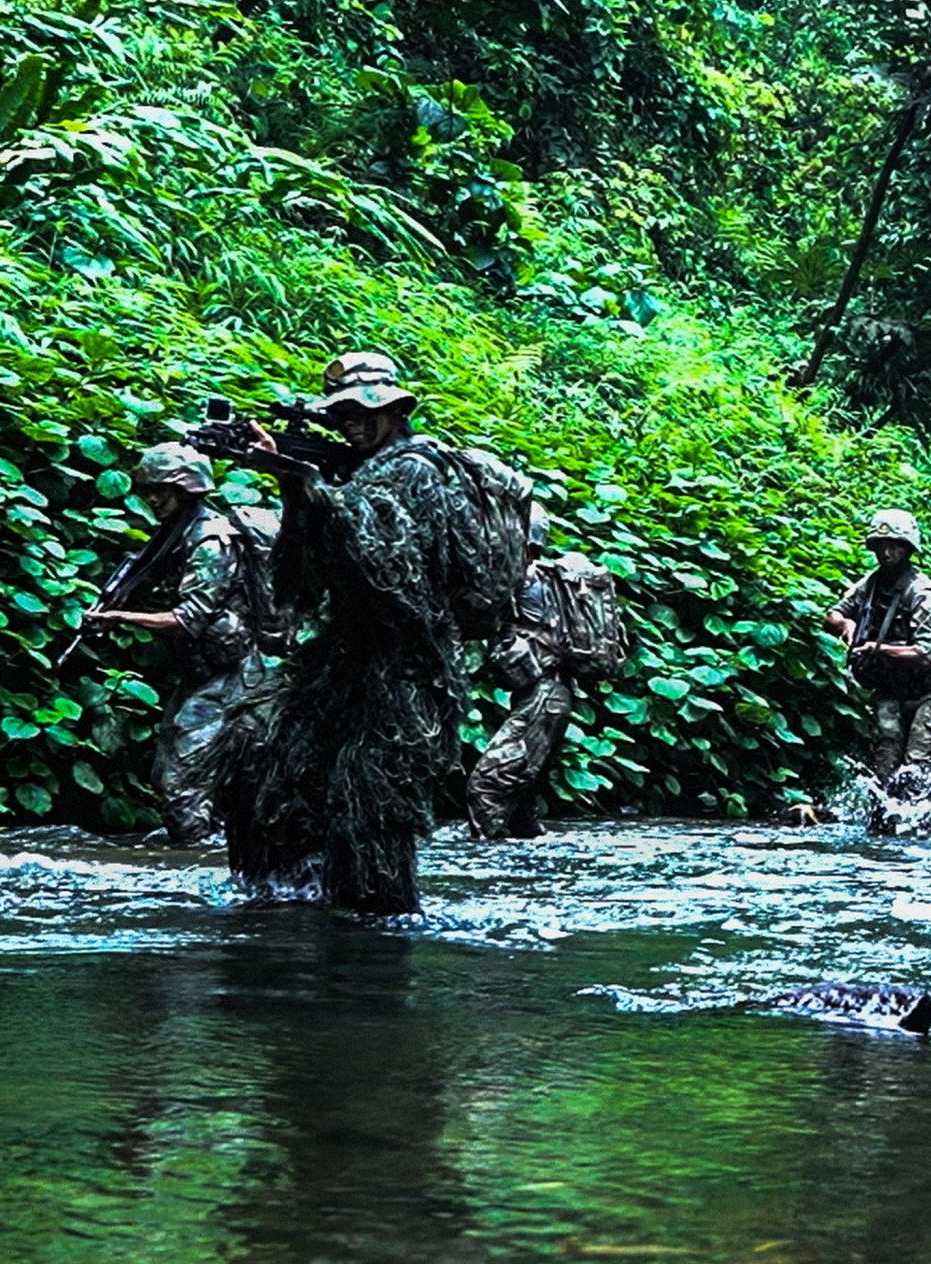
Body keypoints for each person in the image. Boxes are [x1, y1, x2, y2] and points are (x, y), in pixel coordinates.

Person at [212, 351, 514, 913]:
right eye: (342, 412)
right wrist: (297, 487)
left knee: (372, 802)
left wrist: (308, 487)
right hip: (345, 654)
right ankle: (289, 892)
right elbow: (304, 580)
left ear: (397, 409)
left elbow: (390, 571)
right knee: (258, 747)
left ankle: (380, 926)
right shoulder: (354, 472)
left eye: (363, 410)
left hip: (406, 663)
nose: (352, 421)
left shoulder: (418, 468)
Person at [81, 441, 281, 853]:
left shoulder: (210, 541)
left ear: (188, 490)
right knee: (177, 773)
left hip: (237, 673)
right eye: (149, 490)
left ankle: (196, 862)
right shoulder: (174, 537)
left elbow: (189, 619)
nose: (153, 499)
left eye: (163, 490)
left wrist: (119, 619)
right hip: (207, 670)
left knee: (180, 783)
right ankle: (217, 851)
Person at [469, 527, 629, 840]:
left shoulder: (523, 580)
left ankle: (487, 858)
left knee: (487, 785)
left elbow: (479, 609)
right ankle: (523, 850)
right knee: (520, 792)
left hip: (544, 693)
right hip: (550, 693)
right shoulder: (543, 579)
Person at [827, 509, 931, 833]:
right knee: (886, 767)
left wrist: (878, 648)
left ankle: (921, 830)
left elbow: (927, 654)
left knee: (916, 767)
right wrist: (846, 624)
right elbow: (833, 613)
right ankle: (883, 829)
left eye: (895, 546)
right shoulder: (872, 583)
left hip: (929, 693)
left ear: (908, 549)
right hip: (890, 689)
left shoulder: (922, 593)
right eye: (881, 545)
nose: (887, 553)